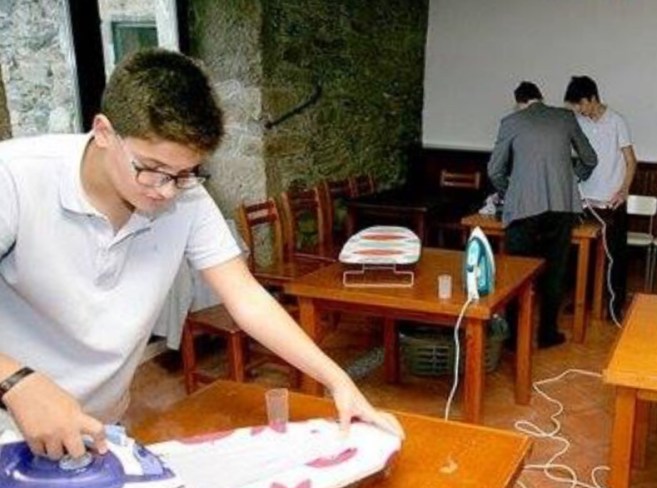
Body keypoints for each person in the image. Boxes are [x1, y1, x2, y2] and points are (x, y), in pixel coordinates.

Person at [0, 49, 403, 461]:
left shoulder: (187, 197)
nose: (166, 191)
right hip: (9, 414)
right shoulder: (14, 177)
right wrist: (16, 381)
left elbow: (247, 298)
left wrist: (338, 381)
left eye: (184, 174)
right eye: (151, 168)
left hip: (94, 425)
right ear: (104, 131)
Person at [487, 81, 597, 348]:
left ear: (520, 103)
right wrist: (572, 179)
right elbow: (590, 158)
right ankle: (548, 334)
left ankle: (513, 339)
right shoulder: (565, 117)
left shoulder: (511, 121)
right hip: (561, 206)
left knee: (517, 273)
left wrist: (510, 191)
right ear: (541, 98)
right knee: (554, 272)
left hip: (524, 208)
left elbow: (494, 170)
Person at [564, 75, 636, 320]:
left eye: (581, 104)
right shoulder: (578, 122)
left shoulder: (617, 121)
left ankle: (615, 306)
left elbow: (631, 161)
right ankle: (579, 301)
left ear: (592, 98)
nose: (578, 109)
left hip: (611, 200)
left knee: (615, 256)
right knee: (579, 254)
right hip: (584, 199)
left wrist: (624, 190)